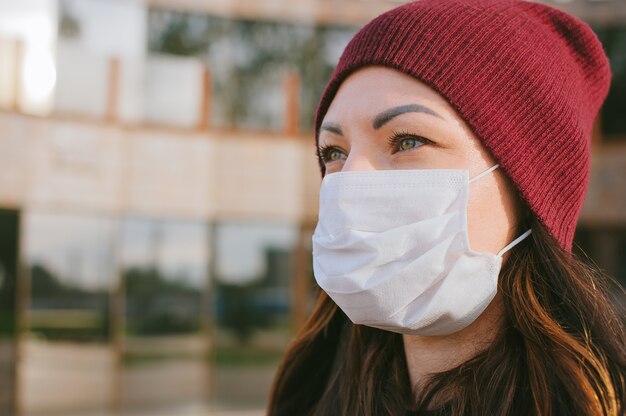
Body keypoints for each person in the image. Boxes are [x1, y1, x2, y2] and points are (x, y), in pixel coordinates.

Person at [268, 1, 626, 415]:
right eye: (333, 151)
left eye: (408, 141)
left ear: (528, 185)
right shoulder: (304, 400)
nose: (350, 178)